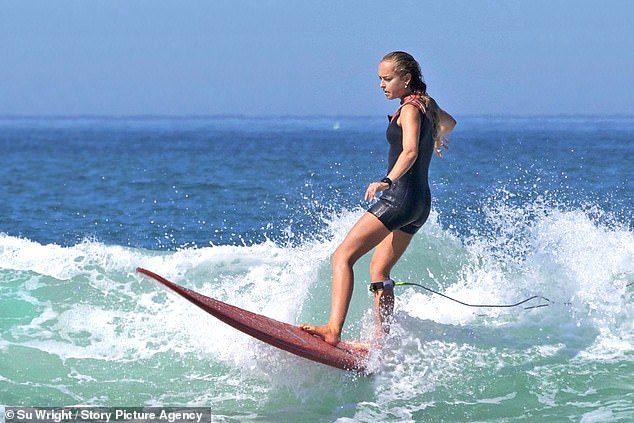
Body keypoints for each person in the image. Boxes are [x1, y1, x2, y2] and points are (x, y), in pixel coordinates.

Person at [300, 51, 456, 346]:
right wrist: (434, 134)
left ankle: (333, 329)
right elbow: (449, 123)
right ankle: (380, 342)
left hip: (400, 197)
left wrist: (387, 181)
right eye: (380, 80)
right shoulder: (426, 104)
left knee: (343, 257)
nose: (382, 85)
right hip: (420, 203)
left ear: (406, 79)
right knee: (379, 270)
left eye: (388, 79)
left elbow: (409, 151)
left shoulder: (409, 109)